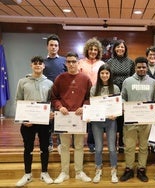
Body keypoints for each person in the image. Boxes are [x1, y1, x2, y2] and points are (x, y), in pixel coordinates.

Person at [52, 52, 92, 184]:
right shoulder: (60, 78)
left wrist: (84, 107)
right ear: (65, 63)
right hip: (64, 117)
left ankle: (79, 172)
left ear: (78, 63)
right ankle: (64, 172)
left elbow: (89, 98)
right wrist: (59, 107)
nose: (71, 64)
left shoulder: (85, 79)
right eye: (68, 61)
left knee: (79, 145)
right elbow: (54, 97)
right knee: (64, 146)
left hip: (79, 117)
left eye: (73, 61)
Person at [15, 56, 54, 186]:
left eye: (40, 64)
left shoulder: (49, 83)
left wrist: (50, 113)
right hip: (28, 122)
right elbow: (18, 101)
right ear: (31, 65)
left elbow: (51, 102)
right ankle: (27, 174)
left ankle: (44, 173)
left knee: (44, 147)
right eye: (35, 64)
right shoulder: (22, 82)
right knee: (28, 148)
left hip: (43, 122)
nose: (37, 66)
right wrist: (22, 119)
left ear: (44, 66)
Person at [119, 57, 155, 182]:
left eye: (143, 67)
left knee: (143, 147)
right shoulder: (127, 81)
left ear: (147, 68)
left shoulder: (153, 82)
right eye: (139, 67)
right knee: (129, 147)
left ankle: (141, 169)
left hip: (146, 121)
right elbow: (122, 97)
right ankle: (129, 169)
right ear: (135, 68)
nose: (141, 69)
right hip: (130, 120)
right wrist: (124, 105)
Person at [90, 64, 120, 183]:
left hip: (111, 121)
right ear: (99, 74)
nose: (104, 75)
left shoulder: (116, 88)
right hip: (97, 122)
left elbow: (118, 105)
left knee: (112, 148)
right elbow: (92, 106)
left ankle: (113, 170)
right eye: (102, 73)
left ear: (110, 75)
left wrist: (116, 114)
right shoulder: (94, 88)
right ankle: (98, 168)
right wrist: (89, 115)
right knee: (98, 148)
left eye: (107, 73)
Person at [106, 39, 135, 153]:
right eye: (118, 47)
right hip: (113, 93)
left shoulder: (130, 62)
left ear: (125, 49)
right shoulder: (109, 62)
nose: (120, 49)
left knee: (123, 120)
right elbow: (106, 77)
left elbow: (133, 78)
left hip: (126, 94)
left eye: (122, 47)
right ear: (114, 49)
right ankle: (113, 144)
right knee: (113, 119)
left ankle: (122, 144)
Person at [79, 37, 105, 153]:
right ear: (87, 50)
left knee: (95, 119)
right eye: (90, 49)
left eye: (95, 49)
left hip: (98, 95)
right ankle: (78, 142)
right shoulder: (81, 63)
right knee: (85, 118)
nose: (93, 51)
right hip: (84, 94)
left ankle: (92, 142)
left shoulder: (102, 64)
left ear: (98, 51)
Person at [43, 34, 67, 153]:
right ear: (47, 46)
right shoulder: (42, 62)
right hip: (46, 96)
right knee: (48, 120)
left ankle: (60, 144)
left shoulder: (64, 61)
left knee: (59, 120)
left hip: (60, 97)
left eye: (56, 45)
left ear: (58, 47)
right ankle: (49, 143)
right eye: (51, 45)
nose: (53, 47)